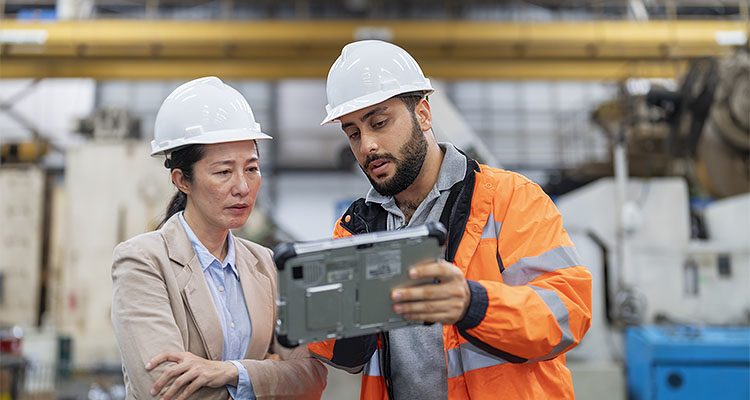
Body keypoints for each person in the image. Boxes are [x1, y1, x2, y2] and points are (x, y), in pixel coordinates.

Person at [307, 40, 593, 399]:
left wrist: (472, 304)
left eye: (379, 123)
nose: (367, 146)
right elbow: (346, 358)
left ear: (423, 114)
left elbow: (568, 313)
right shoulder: (354, 230)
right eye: (353, 133)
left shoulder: (511, 199)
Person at [111, 76, 327, 400]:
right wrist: (266, 374)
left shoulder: (266, 264)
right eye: (223, 172)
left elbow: (311, 377)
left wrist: (230, 372)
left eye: (251, 168)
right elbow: (166, 389)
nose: (242, 186)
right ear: (182, 180)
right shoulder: (144, 262)